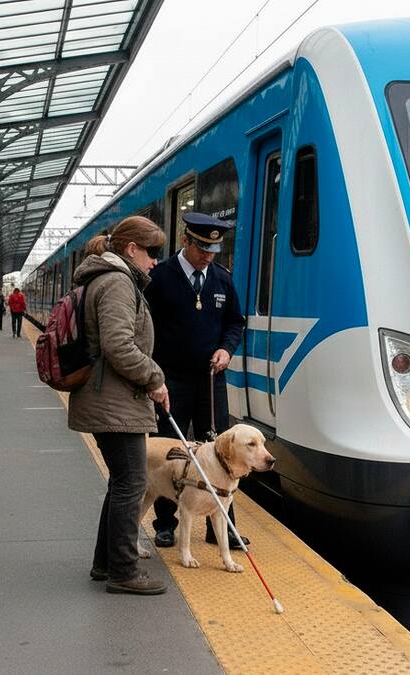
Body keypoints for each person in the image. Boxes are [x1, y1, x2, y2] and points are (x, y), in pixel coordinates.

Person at [67, 215, 170, 596]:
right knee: (132, 482)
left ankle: (105, 563)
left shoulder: (109, 279)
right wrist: (155, 378)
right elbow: (119, 345)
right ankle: (123, 571)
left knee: (122, 482)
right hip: (114, 400)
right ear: (131, 250)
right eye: (152, 252)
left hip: (110, 397)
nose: (155, 261)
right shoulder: (117, 283)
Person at [145, 212, 247, 550]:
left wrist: (226, 349)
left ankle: (222, 527)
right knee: (171, 451)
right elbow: (144, 327)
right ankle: (164, 523)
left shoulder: (222, 279)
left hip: (210, 380)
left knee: (221, 451)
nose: (208, 256)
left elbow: (235, 322)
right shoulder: (160, 278)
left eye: (214, 250)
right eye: (202, 248)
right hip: (171, 379)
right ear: (186, 241)